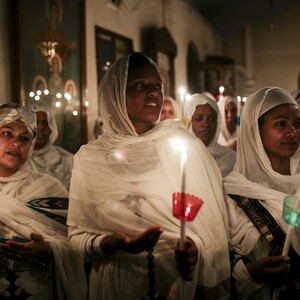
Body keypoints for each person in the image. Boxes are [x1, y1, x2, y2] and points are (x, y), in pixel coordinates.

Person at [67, 52, 231, 299]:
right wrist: (108, 243)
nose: (154, 92)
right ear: (115, 95)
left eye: (158, 86)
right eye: (140, 85)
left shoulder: (183, 146)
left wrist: (195, 249)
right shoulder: (90, 158)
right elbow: (76, 239)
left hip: (175, 279)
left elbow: (213, 228)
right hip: (116, 283)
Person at [0, 103, 86, 299]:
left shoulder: (48, 188)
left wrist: (47, 249)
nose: (16, 143)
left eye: (25, 138)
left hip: (36, 287)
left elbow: (74, 246)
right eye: (6, 133)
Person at [223, 87, 300, 299]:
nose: (292, 132)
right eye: (280, 123)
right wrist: (252, 272)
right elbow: (215, 266)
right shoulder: (233, 195)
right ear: (254, 131)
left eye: (297, 124)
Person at [184, 93, 236, 177]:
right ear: (189, 122)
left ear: (218, 123)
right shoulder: (179, 157)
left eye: (212, 119)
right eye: (199, 119)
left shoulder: (231, 159)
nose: (206, 124)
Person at [29, 103, 74, 190]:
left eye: (45, 123)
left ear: (52, 128)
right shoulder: (20, 160)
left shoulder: (67, 159)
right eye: (36, 122)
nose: (41, 127)